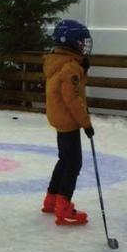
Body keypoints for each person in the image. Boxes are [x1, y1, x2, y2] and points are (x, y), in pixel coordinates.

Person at [41, 19, 94, 226]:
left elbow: (73, 90)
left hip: (59, 118)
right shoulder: (70, 67)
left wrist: (84, 71)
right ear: (71, 43)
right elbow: (73, 99)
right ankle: (63, 207)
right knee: (73, 163)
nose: (83, 46)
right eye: (81, 42)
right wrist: (86, 124)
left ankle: (51, 199)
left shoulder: (59, 61)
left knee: (65, 159)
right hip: (69, 120)